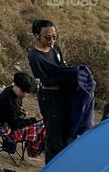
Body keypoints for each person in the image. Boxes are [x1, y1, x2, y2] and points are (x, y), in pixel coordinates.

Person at [28, 20, 74, 163]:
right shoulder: (35, 56)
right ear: (37, 35)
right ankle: (51, 170)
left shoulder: (55, 49)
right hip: (49, 99)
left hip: (62, 96)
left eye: (55, 36)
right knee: (54, 137)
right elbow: (45, 81)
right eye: (47, 37)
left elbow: (62, 67)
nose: (52, 40)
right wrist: (64, 78)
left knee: (67, 134)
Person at [0, 72, 46, 158]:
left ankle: (35, 149)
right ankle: (33, 150)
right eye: (25, 92)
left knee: (43, 124)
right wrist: (34, 119)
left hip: (9, 122)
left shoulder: (11, 91)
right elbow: (15, 125)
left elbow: (12, 115)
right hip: (7, 129)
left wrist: (20, 112)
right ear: (19, 88)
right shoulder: (8, 101)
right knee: (43, 126)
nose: (26, 95)